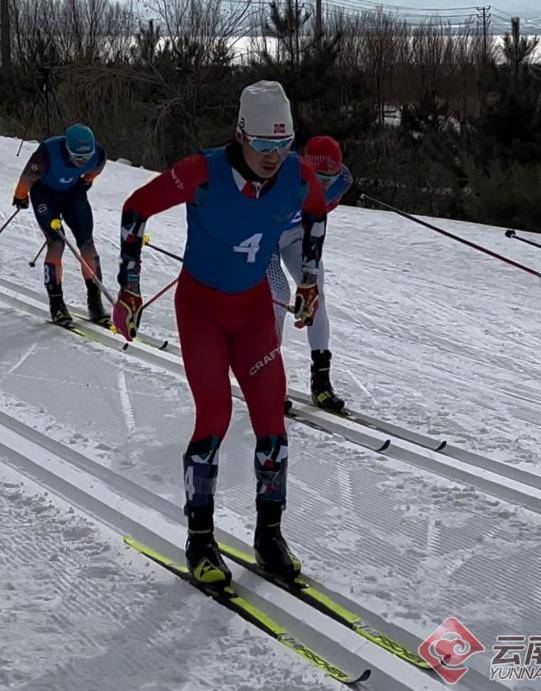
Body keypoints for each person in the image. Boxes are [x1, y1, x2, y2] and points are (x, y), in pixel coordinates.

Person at [112, 80, 327, 587]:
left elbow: (315, 214)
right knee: (216, 415)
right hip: (202, 310)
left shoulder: (298, 175)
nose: (274, 156)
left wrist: (310, 280)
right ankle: (200, 538)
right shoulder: (201, 173)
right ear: (240, 135)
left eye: (284, 144)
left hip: (252, 311)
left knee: (272, 421)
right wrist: (130, 286)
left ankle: (268, 534)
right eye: (263, 145)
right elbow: (135, 207)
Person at [267, 136, 352, 412]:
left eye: (331, 176)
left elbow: (319, 219)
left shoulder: (340, 182)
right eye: (320, 176)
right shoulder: (281, 175)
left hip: (296, 237)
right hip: (265, 241)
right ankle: (268, 379)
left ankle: (321, 381)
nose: (325, 183)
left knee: (316, 294)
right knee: (279, 295)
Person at [12, 124, 108, 327]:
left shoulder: (98, 153)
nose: (81, 161)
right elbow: (27, 177)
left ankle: (95, 302)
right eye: (77, 157)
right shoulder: (47, 152)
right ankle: (56, 303)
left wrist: (86, 180)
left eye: (85, 157)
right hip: (44, 193)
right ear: (66, 148)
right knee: (56, 242)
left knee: (87, 243)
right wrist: (20, 196)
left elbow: (96, 169)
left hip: (73, 192)